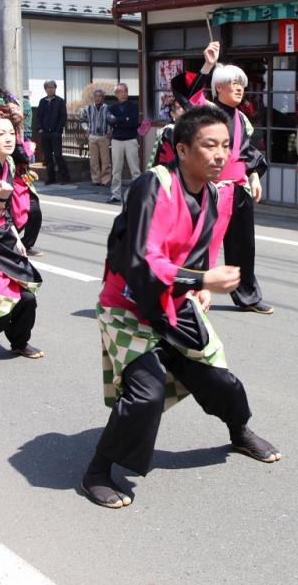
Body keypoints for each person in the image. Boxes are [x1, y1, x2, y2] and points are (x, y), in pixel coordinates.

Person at [81, 106, 280, 509]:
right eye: (210, 145)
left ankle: (239, 430)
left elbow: (197, 247)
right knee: (147, 391)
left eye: (226, 145)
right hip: (128, 305)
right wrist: (202, 281)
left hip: (174, 300)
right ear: (182, 149)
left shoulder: (213, 193)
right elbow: (141, 260)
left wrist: (199, 282)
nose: (221, 154)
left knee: (219, 379)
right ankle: (98, 470)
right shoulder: (152, 186)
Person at [169, 42, 273, 315]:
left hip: (239, 189)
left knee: (244, 245)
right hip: (214, 189)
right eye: (232, 83)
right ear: (218, 87)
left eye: (241, 83)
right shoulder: (207, 112)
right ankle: (189, 292)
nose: (239, 88)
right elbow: (187, 93)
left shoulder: (240, 118)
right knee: (202, 242)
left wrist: (254, 176)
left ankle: (247, 295)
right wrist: (208, 65)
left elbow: (247, 152)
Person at [0, 90, 43, 358]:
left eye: (11, 132)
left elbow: (6, 214)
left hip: (2, 239)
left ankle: (19, 341)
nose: (8, 138)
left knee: (27, 295)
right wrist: (0, 200)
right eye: (0, 134)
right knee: (1, 301)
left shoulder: (7, 162)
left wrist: (17, 238)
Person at [106, 83, 140, 204]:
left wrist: (118, 121)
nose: (123, 93)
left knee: (135, 169)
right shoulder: (111, 107)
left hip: (130, 139)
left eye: (125, 91)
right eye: (120, 91)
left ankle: (138, 194)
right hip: (116, 140)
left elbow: (133, 122)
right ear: (116, 94)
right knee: (116, 169)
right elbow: (110, 121)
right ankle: (116, 194)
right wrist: (124, 119)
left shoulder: (133, 106)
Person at [11, 141, 43, 257]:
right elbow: (20, 155)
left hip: (21, 180)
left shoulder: (16, 136)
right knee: (11, 216)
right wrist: (28, 148)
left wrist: (28, 172)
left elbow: (21, 158)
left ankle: (26, 244)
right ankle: (7, 245)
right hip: (6, 181)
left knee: (34, 212)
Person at [36, 80, 70, 185]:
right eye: (48, 87)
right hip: (45, 132)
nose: (51, 89)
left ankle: (65, 177)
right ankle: (51, 178)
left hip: (56, 133)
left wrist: (58, 129)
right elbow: (38, 116)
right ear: (45, 89)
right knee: (47, 156)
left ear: (55, 88)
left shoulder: (60, 101)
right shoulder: (42, 101)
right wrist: (40, 128)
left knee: (58, 155)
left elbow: (63, 116)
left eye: (52, 87)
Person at [79, 88, 112, 186]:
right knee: (93, 160)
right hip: (92, 136)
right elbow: (82, 120)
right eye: (96, 96)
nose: (98, 98)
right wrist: (86, 129)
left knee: (105, 160)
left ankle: (105, 180)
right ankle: (95, 179)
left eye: (100, 96)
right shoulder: (88, 108)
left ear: (103, 98)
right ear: (94, 97)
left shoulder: (108, 108)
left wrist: (111, 131)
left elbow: (113, 121)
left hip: (104, 136)